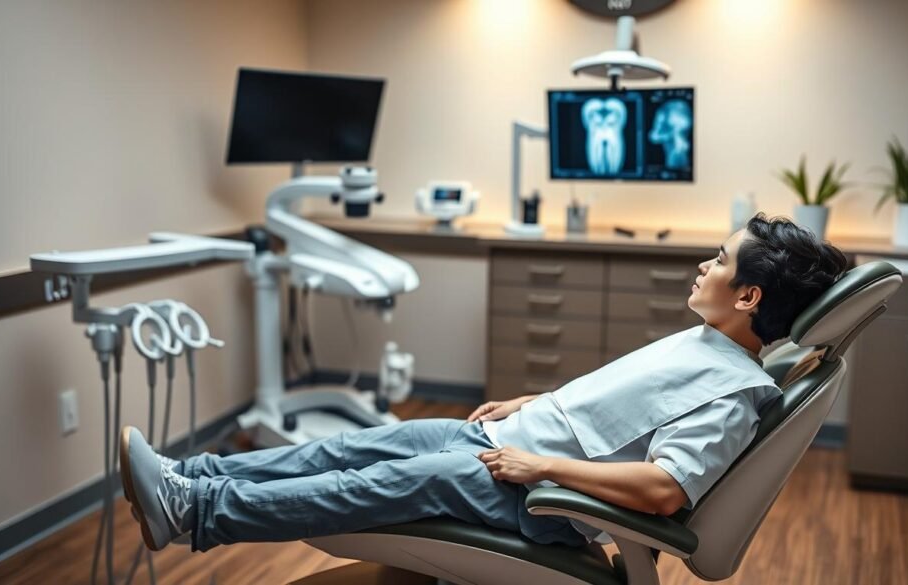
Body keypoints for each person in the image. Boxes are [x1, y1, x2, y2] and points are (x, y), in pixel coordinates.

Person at [119, 214, 848, 553]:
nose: (703, 265)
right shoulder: (710, 343)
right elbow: (625, 404)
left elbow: (664, 491)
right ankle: (195, 473)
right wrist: (536, 405)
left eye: (719, 260)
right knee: (346, 449)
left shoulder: (735, 394)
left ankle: (193, 511)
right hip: (508, 442)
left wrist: (541, 467)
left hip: (536, 496)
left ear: (748, 296)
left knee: (364, 486)